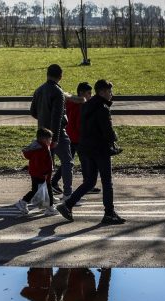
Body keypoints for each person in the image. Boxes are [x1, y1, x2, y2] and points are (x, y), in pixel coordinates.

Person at [57, 80, 126, 224]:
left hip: (85, 148)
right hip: (99, 149)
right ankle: (109, 213)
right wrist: (115, 137)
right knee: (107, 182)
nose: (111, 94)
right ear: (101, 92)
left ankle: (68, 205)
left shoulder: (87, 105)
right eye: (109, 91)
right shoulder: (102, 108)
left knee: (90, 181)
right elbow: (106, 131)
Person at [30, 64, 76, 203]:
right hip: (58, 134)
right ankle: (68, 193)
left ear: (47, 74)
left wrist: (43, 119)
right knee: (67, 162)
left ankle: (44, 194)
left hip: (42, 132)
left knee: (46, 166)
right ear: (60, 76)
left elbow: (33, 111)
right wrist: (55, 138)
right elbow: (57, 117)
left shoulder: (39, 90)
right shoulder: (58, 92)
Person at [51, 82, 101, 195]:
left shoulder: (69, 103)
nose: (91, 95)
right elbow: (79, 124)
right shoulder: (81, 105)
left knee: (67, 162)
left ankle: (54, 181)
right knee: (85, 161)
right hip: (79, 138)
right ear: (81, 93)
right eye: (89, 93)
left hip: (70, 135)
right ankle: (88, 184)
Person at [15, 128, 57, 216]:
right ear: (44, 140)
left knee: (39, 189)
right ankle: (49, 207)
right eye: (50, 139)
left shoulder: (40, 146)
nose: (51, 141)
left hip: (37, 173)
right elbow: (39, 163)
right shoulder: (41, 149)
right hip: (41, 174)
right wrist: (45, 172)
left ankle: (49, 206)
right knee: (42, 189)